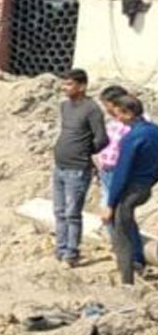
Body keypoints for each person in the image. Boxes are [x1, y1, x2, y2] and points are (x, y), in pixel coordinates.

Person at [52, 69, 108, 267]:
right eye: (64, 84)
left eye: (69, 84)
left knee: (72, 214)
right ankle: (60, 249)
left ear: (82, 86)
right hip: (59, 166)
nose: (64, 88)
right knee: (59, 211)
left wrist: (84, 152)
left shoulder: (92, 109)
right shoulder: (65, 107)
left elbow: (102, 139)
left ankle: (71, 254)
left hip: (77, 169)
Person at [102, 95, 158, 285]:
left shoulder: (131, 138)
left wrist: (110, 204)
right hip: (145, 187)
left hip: (131, 189)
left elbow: (121, 173)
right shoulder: (154, 131)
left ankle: (127, 278)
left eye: (119, 114)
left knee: (121, 231)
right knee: (127, 224)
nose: (117, 118)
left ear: (128, 113)